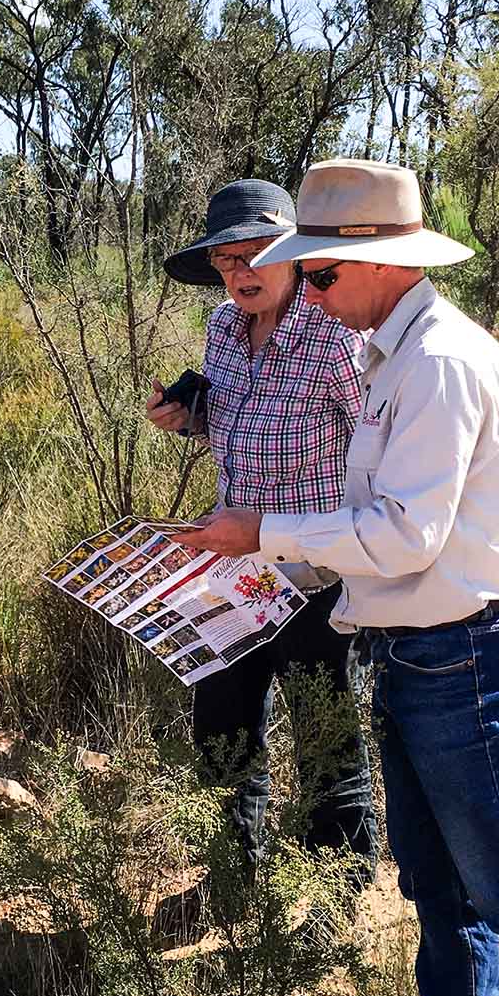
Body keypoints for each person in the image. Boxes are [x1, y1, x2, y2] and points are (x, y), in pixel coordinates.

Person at [178, 159, 499, 996]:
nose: (310, 289)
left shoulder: (439, 364)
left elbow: (404, 533)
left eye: (322, 272)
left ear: (386, 257)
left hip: (469, 656)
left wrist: (265, 534)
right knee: (440, 891)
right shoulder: (396, 353)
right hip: (417, 652)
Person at [144, 179, 376, 892]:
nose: (242, 273)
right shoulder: (222, 329)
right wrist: (189, 419)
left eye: (258, 255)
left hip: (318, 574)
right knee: (221, 727)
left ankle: (336, 888)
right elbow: (239, 424)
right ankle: (234, 874)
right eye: (227, 261)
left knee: (324, 738)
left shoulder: (336, 337)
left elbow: (378, 445)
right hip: (235, 572)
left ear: (296, 256)